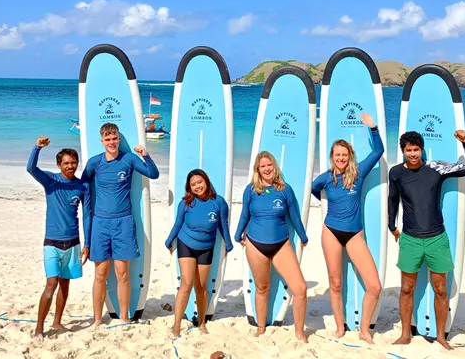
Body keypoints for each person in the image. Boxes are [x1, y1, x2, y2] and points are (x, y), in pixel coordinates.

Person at [388, 129, 465, 350]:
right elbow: (392, 200)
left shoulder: (435, 168)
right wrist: (392, 226)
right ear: (402, 151)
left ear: (422, 149)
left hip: (437, 238)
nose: (413, 154)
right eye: (409, 150)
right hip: (410, 239)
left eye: (416, 150)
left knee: (440, 289)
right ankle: (404, 334)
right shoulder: (396, 173)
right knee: (406, 288)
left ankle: (441, 337)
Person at [311, 112, 385, 343]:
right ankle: (340, 326)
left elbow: (378, 151)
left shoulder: (359, 173)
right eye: (337, 155)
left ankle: (364, 330)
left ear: (349, 156)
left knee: (374, 285)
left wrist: (373, 128)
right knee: (335, 283)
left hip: (354, 235)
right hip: (331, 232)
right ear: (332, 157)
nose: (341, 158)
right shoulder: (326, 178)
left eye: (344, 154)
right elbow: (314, 189)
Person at [81, 122, 160, 326]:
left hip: (124, 222)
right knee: (100, 274)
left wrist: (146, 155)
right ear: (102, 141)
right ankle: (97, 319)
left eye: (114, 138)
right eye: (107, 139)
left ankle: (124, 317)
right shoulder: (94, 163)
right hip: (100, 223)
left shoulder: (129, 159)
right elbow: (82, 188)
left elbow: (154, 174)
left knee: (122, 274)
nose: (112, 142)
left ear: (118, 138)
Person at [234, 151, 309, 343]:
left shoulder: (285, 189)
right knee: (262, 287)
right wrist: (237, 233)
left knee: (300, 288)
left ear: (274, 166)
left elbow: (294, 215)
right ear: (257, 170)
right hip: (255, 244)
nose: (266, 169)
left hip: (281, 244)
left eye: (269, 165)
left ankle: (300, 332)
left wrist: (303, 236)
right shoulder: (251, 190)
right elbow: (244, 214)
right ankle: (261, 326)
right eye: (262, 166)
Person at [26, 136, 92, 338]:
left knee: (65, 284)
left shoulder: (83, 187)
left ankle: (57, 322)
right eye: (66, 163)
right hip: (52, 243)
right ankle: (39, 328)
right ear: (58, 164)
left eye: (73, 162)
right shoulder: (51, 181)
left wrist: (87, 244)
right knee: (51, 284)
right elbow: (31, 169)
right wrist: (37, 148)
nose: (70, 166)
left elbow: (87, 215)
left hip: (73, 243)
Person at [164, 169, 233, 338]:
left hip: (206, 247)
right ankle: (176, 325)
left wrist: (229, 246)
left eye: (199, 182)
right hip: (186, 244)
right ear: (189, 187)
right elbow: (178, 224)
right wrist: (168, 241)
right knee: (186, 284)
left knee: (201, 287)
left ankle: (202, 322)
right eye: (193, 184)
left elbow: (223, 226)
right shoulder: (186, 203)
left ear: (206, 182)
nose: (197, 186)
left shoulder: (218, 203)